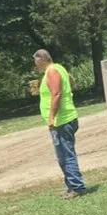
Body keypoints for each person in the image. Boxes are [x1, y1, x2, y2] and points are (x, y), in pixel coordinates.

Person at [32, 50, 86, 198]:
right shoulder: (59, 68)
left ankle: (77, 187)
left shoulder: (52, 71)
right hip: (64, 119)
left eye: (36, 62)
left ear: (42, 60)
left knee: (66, 155)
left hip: (61, 121)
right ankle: (72, 186)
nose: (36, 66)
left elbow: (56, 94)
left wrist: (51, 118)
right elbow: (71, 83)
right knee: (63, 156)